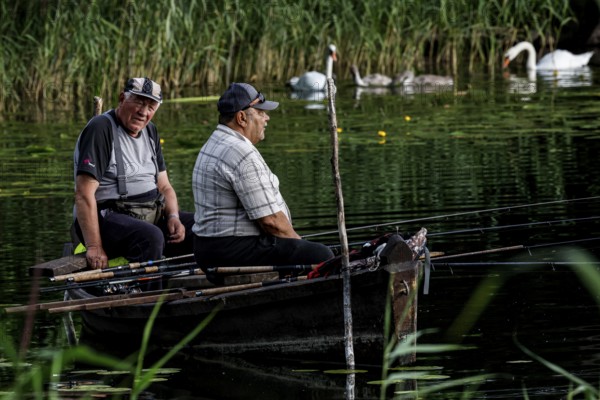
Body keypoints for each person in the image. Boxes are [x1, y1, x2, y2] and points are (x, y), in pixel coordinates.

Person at [192, 82, 333, 281]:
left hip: (209, 249)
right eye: (260, 113)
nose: (266, 118)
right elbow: (271, 222)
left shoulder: (215, 141)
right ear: (241, 118)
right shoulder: (240, 152)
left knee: (303, 250)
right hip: (229, 249)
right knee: (321, 256)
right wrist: (300, 248)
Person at [73, 77, 194, 271]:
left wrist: (173, 216)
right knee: (151, 237)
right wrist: (94, 246)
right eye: (139, 102)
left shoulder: (151, 131)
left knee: (199, 226)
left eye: (151, 106)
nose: (143, 112)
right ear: (122, 99)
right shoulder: (101, 128)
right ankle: (145, 296)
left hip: (148, 213)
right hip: (108, 216)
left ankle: (189, 283)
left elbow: (164, 186)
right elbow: (83, 194)